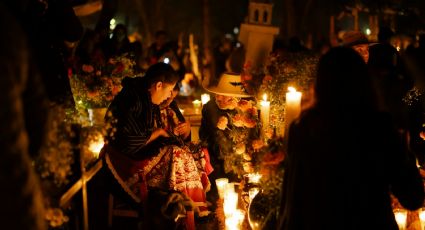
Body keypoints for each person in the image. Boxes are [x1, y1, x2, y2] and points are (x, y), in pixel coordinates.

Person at [278, 47, 424, 230]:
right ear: (364, 81)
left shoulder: (303, 128)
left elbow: (291, 199)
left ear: (321, 83)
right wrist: (404, 148)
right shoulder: (378, 128)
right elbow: (413, 197)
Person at [100, 62, 210, 222]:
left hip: (139, 152)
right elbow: (127, 140)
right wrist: (158, 133)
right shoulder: (132, 98)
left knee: (183, 151)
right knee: (177, 154)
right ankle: (176, 210)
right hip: (123, 160)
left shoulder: (146, 97)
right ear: (159, 85)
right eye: (169, 90)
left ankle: (188, 207)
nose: (169, 96)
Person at [199, 72, 256, 205]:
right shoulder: (210, 108)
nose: (217, 97)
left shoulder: (248, 109)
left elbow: (252, 136)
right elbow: (205, 136)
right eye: (217, 93)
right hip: (216, 163)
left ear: (234, 97)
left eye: (222, 94)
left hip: (243, 164)